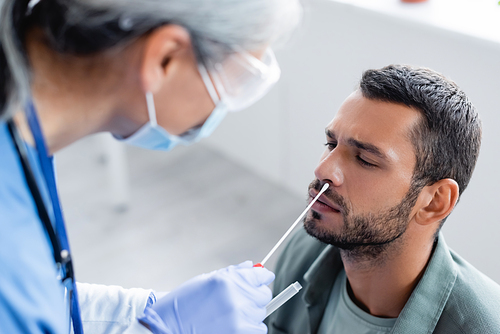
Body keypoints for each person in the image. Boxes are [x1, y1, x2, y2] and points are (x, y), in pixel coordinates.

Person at [0, 0, 302, 333]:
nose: (222, 108)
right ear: (165, 57)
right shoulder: (8, 245)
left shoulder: (22, 137)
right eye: (237, 83)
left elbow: (45, 298)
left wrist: (147, 312)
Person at [266, 65, 500, 334]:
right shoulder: (302, 251)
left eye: (365, 159)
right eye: (331, 144)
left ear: (434, 201)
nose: (323, 170)